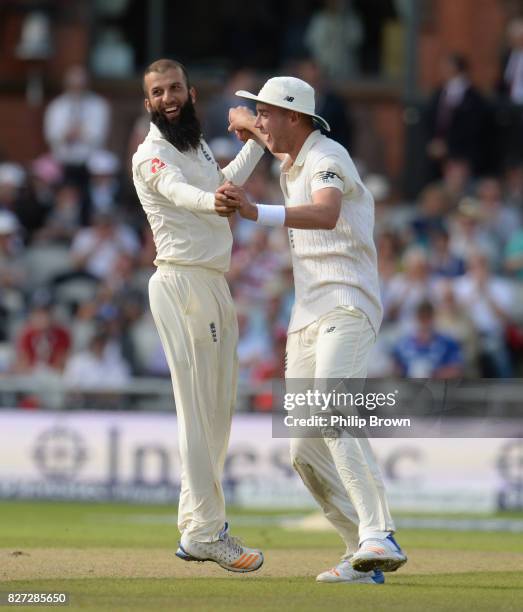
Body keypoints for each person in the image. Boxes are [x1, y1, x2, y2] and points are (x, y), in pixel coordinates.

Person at [220, 76, 407, 584]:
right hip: (306, 312)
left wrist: (255, 211)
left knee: (331, 405)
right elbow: (255, 128)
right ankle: (363, 555)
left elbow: (325, 214)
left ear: (295, 117)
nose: (259, 120)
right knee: (302, 450)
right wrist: (244, 120)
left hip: (348, 302)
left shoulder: (329, 155)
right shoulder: (290, 151)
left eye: (267, 112)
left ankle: (379, 532)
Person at [132, 58, 265, 573]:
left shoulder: (196, 144)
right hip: (182, 282)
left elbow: (221, 183)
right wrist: (215, 201)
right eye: (158, 92)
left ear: (190, 93)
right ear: (148, 103)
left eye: (175, 89)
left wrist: (256, 142)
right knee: (197, 411)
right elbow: (180, 194)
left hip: (213, 282)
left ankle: (196, 530)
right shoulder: (152, 154)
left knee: (217, 410)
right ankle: (208, 530)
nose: (168, 98)